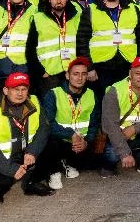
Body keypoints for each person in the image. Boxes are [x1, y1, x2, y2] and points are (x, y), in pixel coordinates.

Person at [0, 72, 52, 202]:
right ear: (6, 90)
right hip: (2, 159)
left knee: (52, 145)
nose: (20, 93)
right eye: (15, 89)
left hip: (25, 154)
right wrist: (10, 169)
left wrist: (33, 152)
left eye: (24, 89)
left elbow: (44, 128)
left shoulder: (34, 101)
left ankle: (32, 182)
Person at [29, 56, 101, 189]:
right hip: (59, 141)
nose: (79, 78)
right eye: (75, 74)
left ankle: (67, 162)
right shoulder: (53, 94)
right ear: (67, 76)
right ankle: (54, 171)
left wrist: (86, 142)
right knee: (48, 140)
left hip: (79, 144)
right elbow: (48, 124)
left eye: (83, 74)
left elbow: (94, 124)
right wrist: (70, 134)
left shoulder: (92, 95)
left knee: (96, 159)